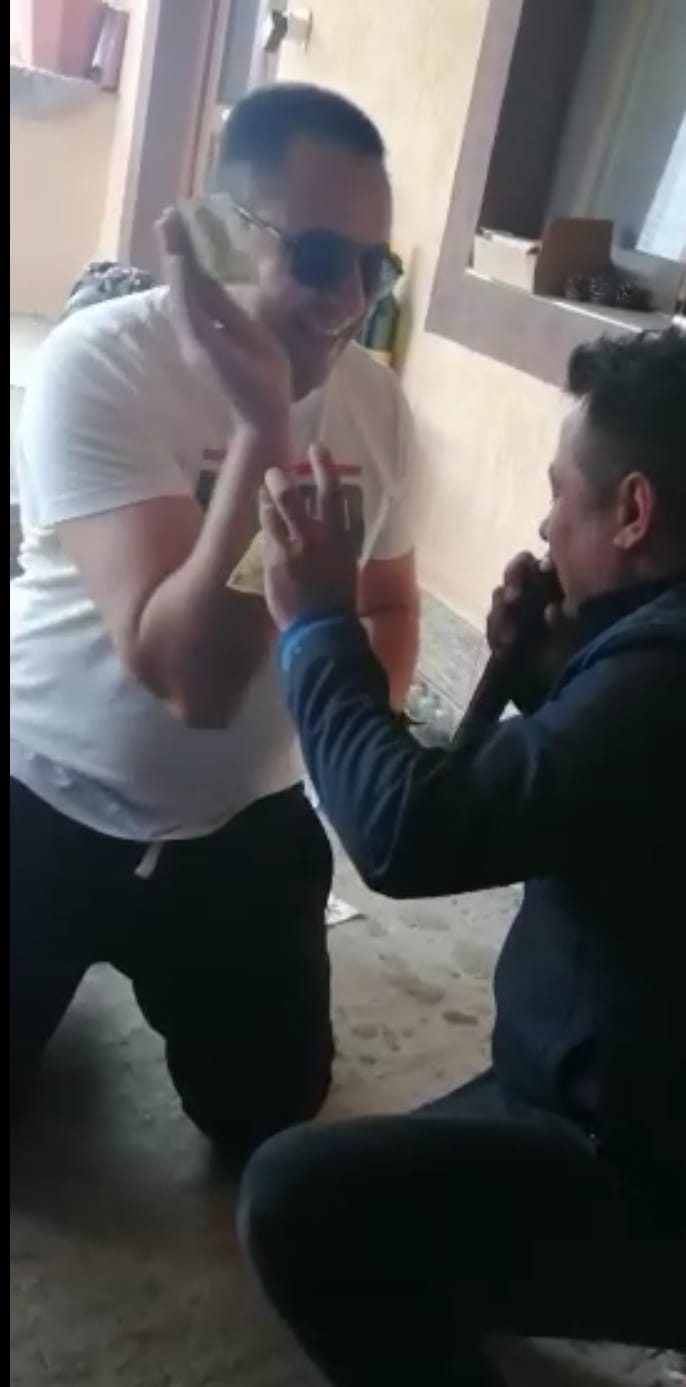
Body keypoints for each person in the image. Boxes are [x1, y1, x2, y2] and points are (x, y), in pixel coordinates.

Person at [176, 243, 686, 1387]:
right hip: (680, 1128)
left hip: (661, 1181)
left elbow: (404, 833)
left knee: (299, 1205)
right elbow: (594, 791)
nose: (545, 528)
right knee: (412, 1205)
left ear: (634, 508)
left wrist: (317, 622)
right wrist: (540, 661)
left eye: (561, 496)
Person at [10, 85, 419, 1160]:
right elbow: (187, 677)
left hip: (239, 829)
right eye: (318, 256)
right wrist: (265, 426)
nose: (349, 299)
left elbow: (386, 602)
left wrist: (350, 744)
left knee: (269, 1116)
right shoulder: (99, 363)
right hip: (40, 792)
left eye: (374, 267)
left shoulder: (376, 405)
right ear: (218, 235)